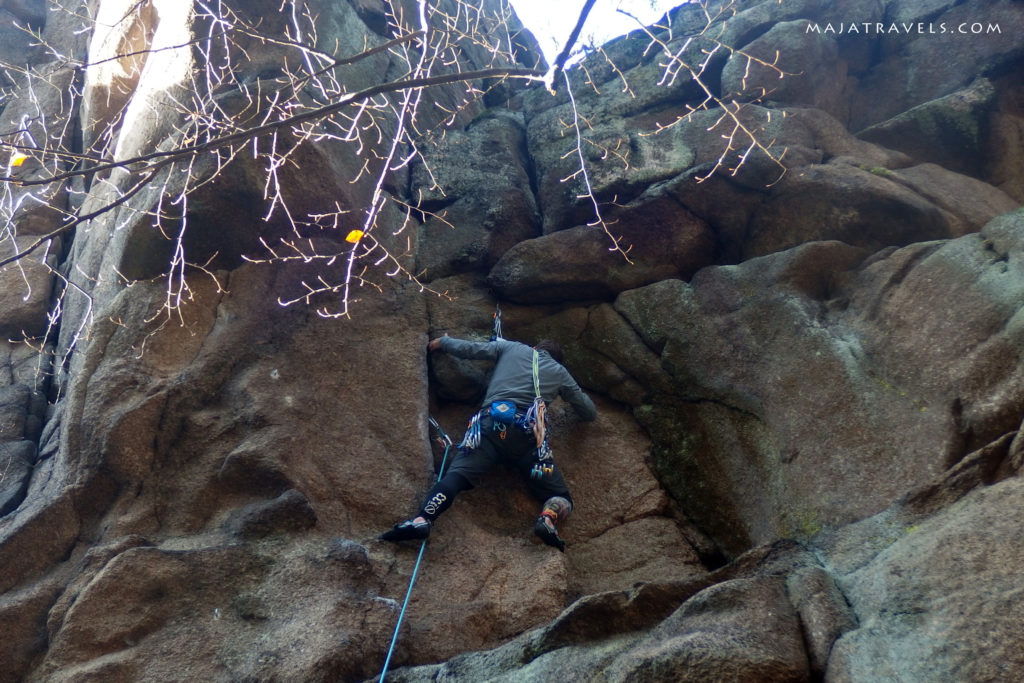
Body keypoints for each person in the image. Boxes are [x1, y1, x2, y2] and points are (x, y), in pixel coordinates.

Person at [381, 335, 597, 551]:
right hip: (527, 441)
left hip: (489, 429)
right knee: (561, 496)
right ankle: (548, 519)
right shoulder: (560, 372)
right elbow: (588, 412)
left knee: (455, 476)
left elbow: (472, 349)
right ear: (557, 360)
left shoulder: (512, 348)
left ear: (535, 348)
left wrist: (442, 343)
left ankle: (422, 520)